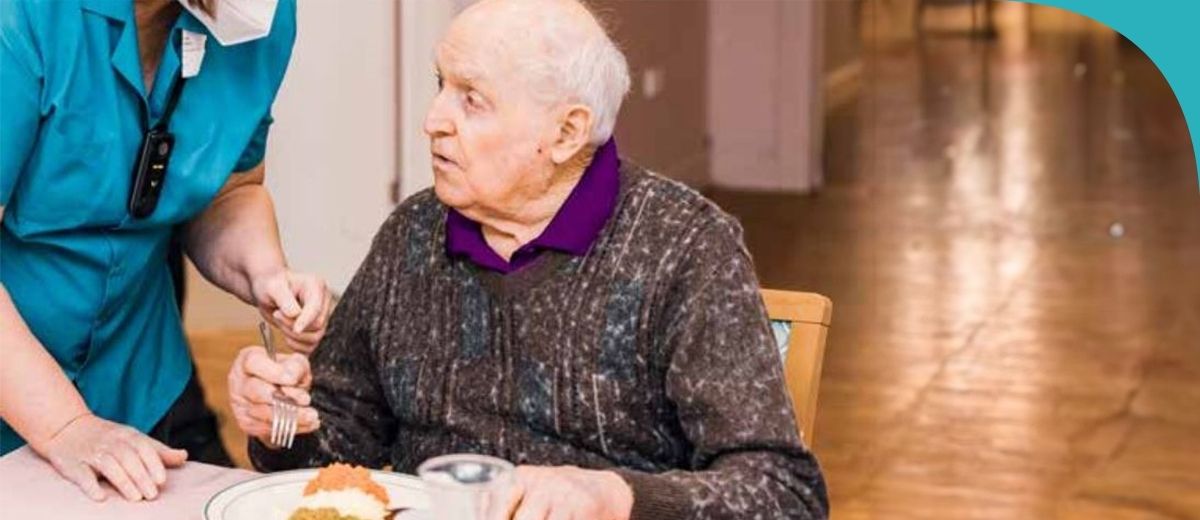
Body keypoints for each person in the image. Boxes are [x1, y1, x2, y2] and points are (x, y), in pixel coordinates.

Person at [231, 0, 829, 518]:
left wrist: (617, 499)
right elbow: (341, 444)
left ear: (567, 133)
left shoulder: (685, 248)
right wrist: (283, 420)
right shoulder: (413, 234)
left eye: (472, 99)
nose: (433, 121)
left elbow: (781, 495)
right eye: (440, 85)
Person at [0, 0, 332, 503]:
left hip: (138, 380)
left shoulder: (255, 17)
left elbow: (229, 187)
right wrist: (67, 425)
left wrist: (265, 273)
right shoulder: (28, 16)